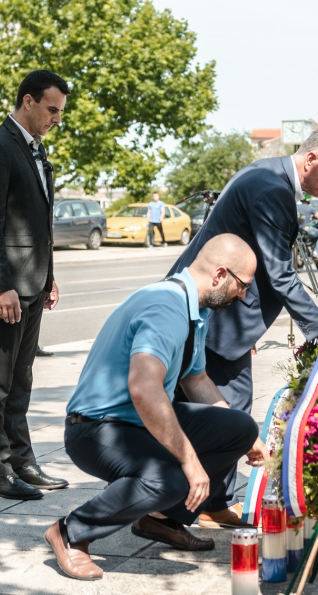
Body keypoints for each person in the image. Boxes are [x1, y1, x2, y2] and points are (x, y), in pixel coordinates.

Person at [47, 234, 266, 581]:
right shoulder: (167, 308)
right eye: (243, 285)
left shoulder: (193, 307)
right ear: (220, 274)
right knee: (171, 478)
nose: (243, 296)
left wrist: (247, 436)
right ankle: (71, 531)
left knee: (239, 427)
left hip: (134, 422)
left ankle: (159, 517)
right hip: (96, 428)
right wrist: (190, 462)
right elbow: (144, 390)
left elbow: (197, 382)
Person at [166, 124, 318, 527]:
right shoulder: (272, 189)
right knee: (228, 411)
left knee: (230, 407)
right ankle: (185, 503)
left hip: (224, 314)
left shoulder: (268, 176)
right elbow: (280, 274)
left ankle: (211, 499)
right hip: (214, 309)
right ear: (311, 160)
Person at [0, 69, 68, 500]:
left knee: (22, 379)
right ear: (27, 101)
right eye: (52, 109)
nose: (56, 119)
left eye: (60, 111)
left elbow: (35, 220)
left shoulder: (35, 149)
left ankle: (22, 461)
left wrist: (48, 276)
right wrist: (0, 285)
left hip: (32, 281)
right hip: (7, 287)